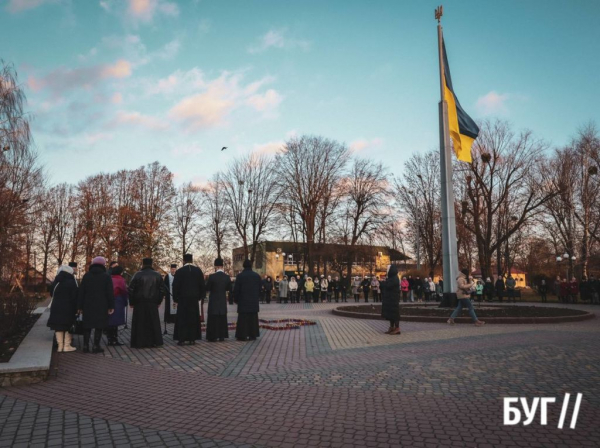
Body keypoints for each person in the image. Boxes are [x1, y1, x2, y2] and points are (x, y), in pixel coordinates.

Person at [77, 256, 115, 354]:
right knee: (99, 325)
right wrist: (111, 306)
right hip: (102, 305)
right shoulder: (106, 276)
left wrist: (80, 306)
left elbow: (81, 292)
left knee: (87, 325)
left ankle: (85, 346)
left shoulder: (87, 276)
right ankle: (96, 346)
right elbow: (110, 292)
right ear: (103, 265)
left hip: (88, 304)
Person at [129, 258, 167, 348]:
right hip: (152, 302)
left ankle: (139, 342)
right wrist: (159, 301)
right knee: (153, 322)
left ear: (143, 264)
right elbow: (162, 290)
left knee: (140, 322)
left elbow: (131, 289)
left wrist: (132, 302)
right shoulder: (157, 275)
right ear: (151, 264)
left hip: (139, 302)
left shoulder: (137, 274)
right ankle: (154, 341)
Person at [172, 254, 205, 346]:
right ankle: (192, 338)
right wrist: (200, 297)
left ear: (184, 261)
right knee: (193, 318)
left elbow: (175, 286)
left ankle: (182, 339)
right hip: (194, 299)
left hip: (183, 299)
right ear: (192, 260)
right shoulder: (198, 271)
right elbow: (202, 285)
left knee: (182, 318)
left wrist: (175, 298)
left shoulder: (179, 271)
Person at [47, 265, 78, 353]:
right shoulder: (71, 281)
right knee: (68, 325)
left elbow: (51, 293)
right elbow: (75, 296)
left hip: (56, 306)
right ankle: (67, 346)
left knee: (58, 326)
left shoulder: (56, 281)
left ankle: (60, 346)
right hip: (68, 306)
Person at [205, 257, 232, 342]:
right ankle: (222, 336)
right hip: (222, 300)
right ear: (222, 266)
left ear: (215, 266)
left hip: (213, 301)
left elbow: (207, 288)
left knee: (213, 318)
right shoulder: (227, 277)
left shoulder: (212, 277)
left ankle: (213, 336)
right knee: (222, 318)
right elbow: (229, 288)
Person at [234, 259, 261, 341]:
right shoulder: (256, 276)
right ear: (251, 266)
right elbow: (259, 289)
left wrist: (236, 299)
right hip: (253, 301)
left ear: (243, 266)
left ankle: (242, 335)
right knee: (253, 319)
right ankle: (253, 335)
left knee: (243, 320)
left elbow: (236, 289)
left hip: (243, 301)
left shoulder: (240, 276)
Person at [107, 266, 128, 346]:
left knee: (110, 320)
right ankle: (114, 339)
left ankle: (109, 338)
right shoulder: (120, 279)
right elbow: (123, 291)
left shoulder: (109, 278)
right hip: (117, 300)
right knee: (115, 321)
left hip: (109, 300)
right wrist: (125, 301)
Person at [381, 265, 401, 335]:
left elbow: (388, 286)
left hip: (393, 298)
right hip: (389, 298)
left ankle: (397, 328)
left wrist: (383, 282)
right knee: (390, 314)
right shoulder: (390, 278)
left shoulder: (395, 278)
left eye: (388, 269)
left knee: (394, 314)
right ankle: (392, 327)